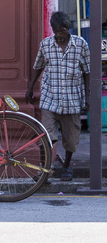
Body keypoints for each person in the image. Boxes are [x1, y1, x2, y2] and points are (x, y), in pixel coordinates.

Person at [25, 10, 90, 181]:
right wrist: (30, 87)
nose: (59, 35)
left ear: (68, 29)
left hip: (72, 99)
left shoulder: (81, 44)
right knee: (46, 136)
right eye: (56, 31)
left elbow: (87, 71)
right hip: (50, 97)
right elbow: (38, 66)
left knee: (71, 138)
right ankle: (44, 170)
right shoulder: (45, 44)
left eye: (62, 31)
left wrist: (88, 97)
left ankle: (67, 166)